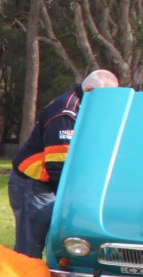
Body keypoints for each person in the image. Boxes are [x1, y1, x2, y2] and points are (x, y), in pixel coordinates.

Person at [9, 68, 119, 258]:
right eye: (105, 100)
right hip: (34, 184)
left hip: (44, 184)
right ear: (90, 90)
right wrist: (74, 197)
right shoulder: (65, 113)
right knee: (29, 250)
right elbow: (58, 166)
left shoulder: (82, 107)